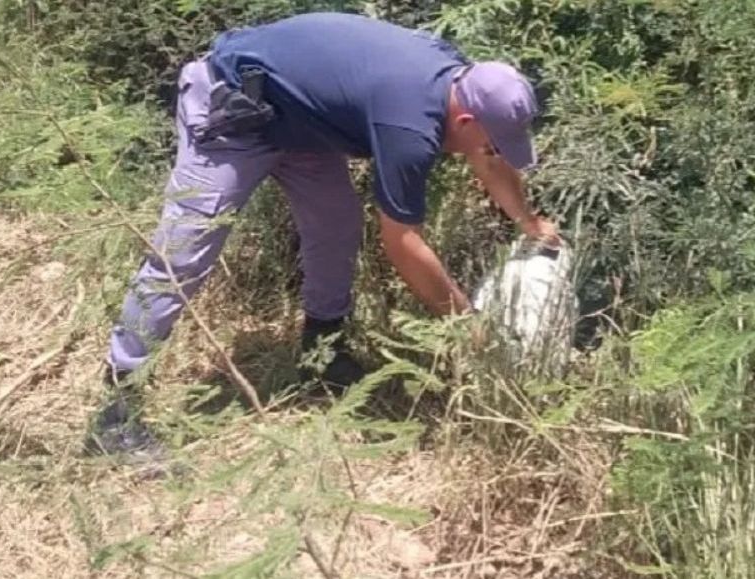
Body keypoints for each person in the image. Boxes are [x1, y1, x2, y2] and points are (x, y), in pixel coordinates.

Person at [85, 12, 559, 456]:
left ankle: (322, 353)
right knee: (184, 253)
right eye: (490, 141)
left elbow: (489, 157)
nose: (487, 153)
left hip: (299, 123)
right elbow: (403, 243)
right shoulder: (409, 124)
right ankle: (116, 407)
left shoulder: (458, 80)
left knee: (337, 226)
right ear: (465, 120)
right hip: (230, 107)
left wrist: (529, 222)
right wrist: (466, 323)